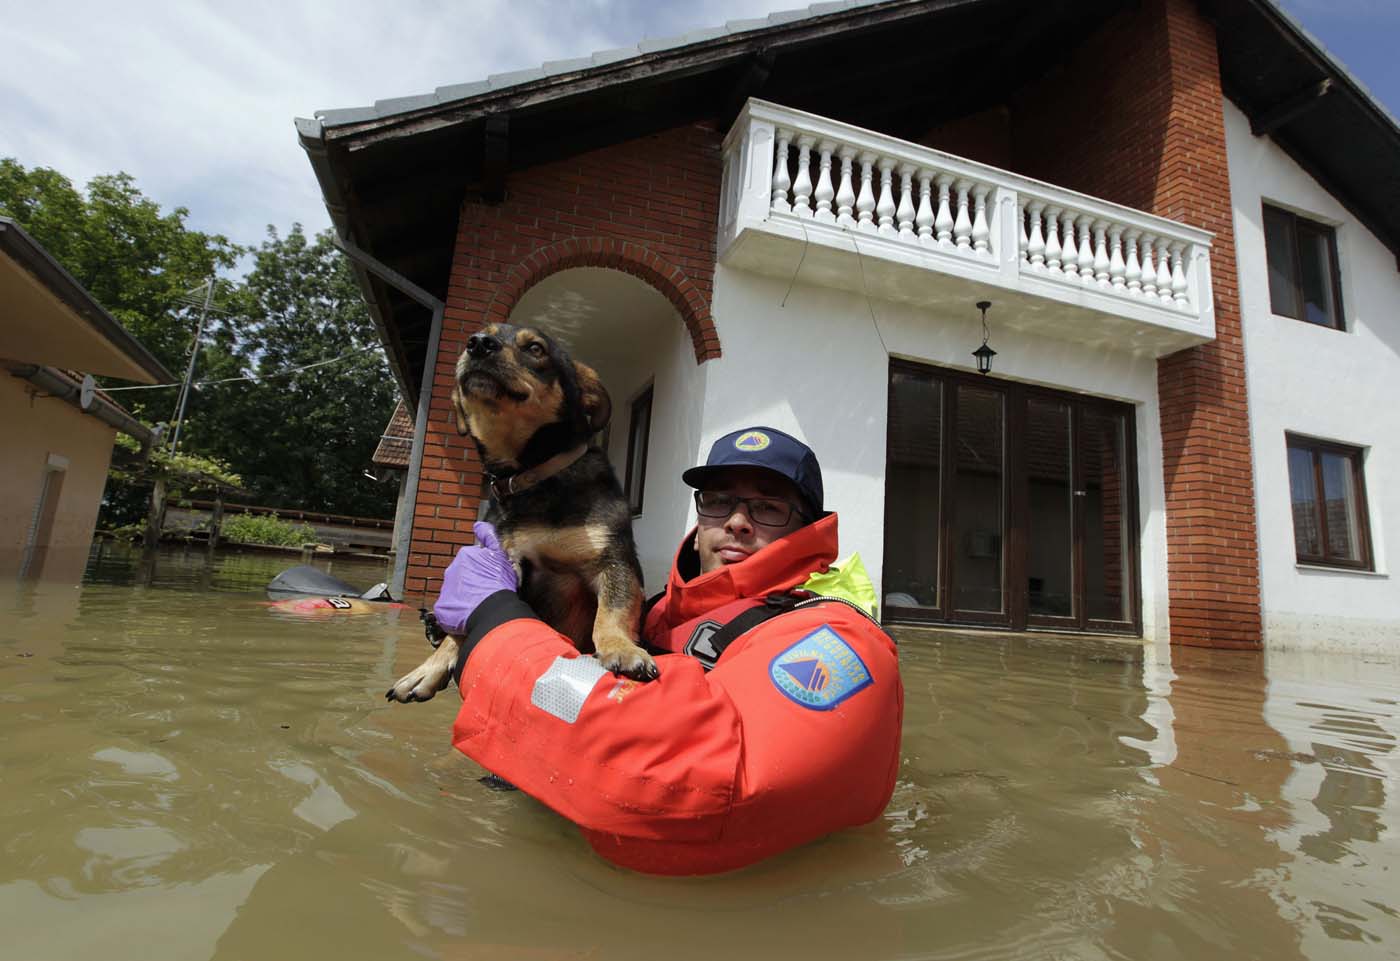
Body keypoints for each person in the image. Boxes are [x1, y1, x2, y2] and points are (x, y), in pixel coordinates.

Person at [434, 426, 903, 875]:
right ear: (700, 519)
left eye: (767, 507)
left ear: (809, 528)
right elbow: (574, 695)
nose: (737, 522)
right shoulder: (655, 610)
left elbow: (699, 792)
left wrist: (492, 623)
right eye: (718, 502)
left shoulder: (840, 638)